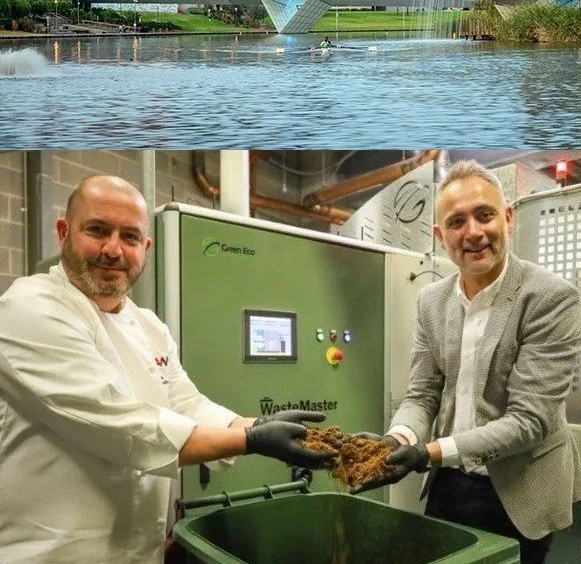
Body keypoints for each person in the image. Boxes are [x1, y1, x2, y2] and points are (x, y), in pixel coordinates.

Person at [0, 175, 335, 564]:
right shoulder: (28, 308)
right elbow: (121, 426)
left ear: (146, 247)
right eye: (97, 230)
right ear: (64, 232)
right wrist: (252, 441)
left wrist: (255, 425)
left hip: (139, 553)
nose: (113, 249)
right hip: (52, 552)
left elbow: (186, 404)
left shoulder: (148, 326)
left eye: (129, 237)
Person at [352, 160, 581, 564]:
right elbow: (423, 391)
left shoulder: (548, 297)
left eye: (484, 215)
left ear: (507, 218)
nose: (473, 233)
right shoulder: (432, 300)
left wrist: (429, 453)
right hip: (449, 482)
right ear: (440, 236)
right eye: (457, 222)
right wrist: (400, 439)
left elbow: (530, 421)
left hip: (520, 489)